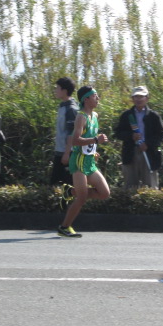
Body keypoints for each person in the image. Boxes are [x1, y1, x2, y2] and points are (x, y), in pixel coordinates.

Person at [57, 85, 110, 238]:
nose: (98, 98)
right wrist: (96, 140)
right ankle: (64, 227)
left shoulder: (95, 116)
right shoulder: (81, 117)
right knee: (81, 198)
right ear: (86, 99)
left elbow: (88, 139)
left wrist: (93, 150)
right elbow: (75, 140)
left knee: (104, 193)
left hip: (89, 161)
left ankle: (70, 191)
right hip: (79, 161)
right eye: (95, 95)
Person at [114, 85, 163, 189]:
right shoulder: (126, 115)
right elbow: (118, 133)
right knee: (130, 186)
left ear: (147, 98)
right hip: (131, 152)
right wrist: (131, 136)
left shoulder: (153, 116)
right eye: (136, 96)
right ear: (132, 99)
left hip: (149, 153)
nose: (139, 99)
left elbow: (161, 134)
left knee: (150, 186)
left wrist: (148, 144)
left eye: (141, 96)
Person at [50, 77, 79, 187]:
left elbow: (72, 133)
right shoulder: (63, 106)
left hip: (68, 153)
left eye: (57, 88)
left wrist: (67, 154)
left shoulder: (71, 108)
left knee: (67, 186)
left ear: (65, 91)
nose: (55, 90)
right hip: (60, 151)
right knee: (55, 185)